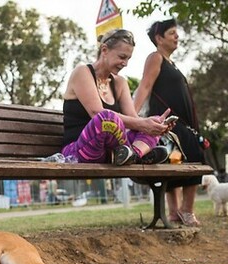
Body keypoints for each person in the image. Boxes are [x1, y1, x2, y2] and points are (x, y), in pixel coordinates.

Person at [133, 19, 206, 226]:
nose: (177, 36)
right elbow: (145, 86)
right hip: (168, 123)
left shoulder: (172, 64)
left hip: (184, 123)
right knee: (188, 158)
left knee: (182, 158)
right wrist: (131, 117)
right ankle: (185, 211)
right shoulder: (155, 58)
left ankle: (177, 212)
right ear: (159, 38)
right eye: (172, 33)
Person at [61, 29, 171, 166]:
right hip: (78, 151)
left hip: (110, 153)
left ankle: (133, 155)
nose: (125, 63)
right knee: (106, 118)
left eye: (128, 59)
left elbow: (134, 119)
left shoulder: (120, 82)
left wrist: (155, 125)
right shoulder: (82, 72)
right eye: (122, 57)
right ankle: (136, 154)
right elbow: (96, 112)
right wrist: (143, 125)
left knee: (154, 121)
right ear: (104, 50)